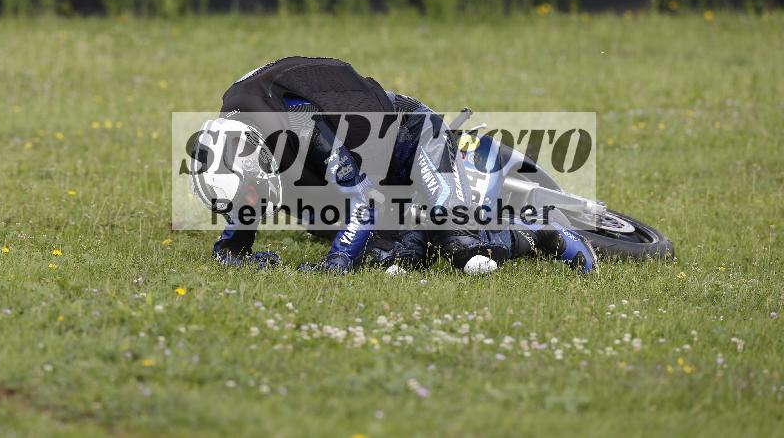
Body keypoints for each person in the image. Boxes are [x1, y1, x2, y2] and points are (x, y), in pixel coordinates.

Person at [189, 56, 597, 275]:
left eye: (249, 193)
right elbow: (245, 189)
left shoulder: (300, 125)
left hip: (412, 133)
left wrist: (335, 265)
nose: (251, 204)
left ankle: (536, 229)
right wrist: (233, 249)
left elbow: (361, 200)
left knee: (461, 244)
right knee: (392, 258)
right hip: (370, 162)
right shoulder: (243, 137)